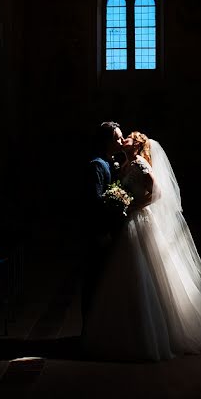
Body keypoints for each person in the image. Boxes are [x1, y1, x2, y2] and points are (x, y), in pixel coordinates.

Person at [81, 130, 201, 361]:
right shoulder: (124, 164)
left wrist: (133, 205)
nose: (123, 139)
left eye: (127, 137)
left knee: (145, 273)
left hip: (140, 221)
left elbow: (157, 193)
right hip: (128, 223)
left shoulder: (140, 164)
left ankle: (152, 332)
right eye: (120, 136)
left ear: (136, 145)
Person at [79, 121, 127, 334]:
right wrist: (102, 231)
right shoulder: (97, 165)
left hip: (112, 231)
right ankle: (89, 330)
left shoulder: (112, 162)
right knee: (94, 281)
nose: (121, 141)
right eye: (117, 138)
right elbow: (94, 201)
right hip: (100, 232)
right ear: (106, 141)